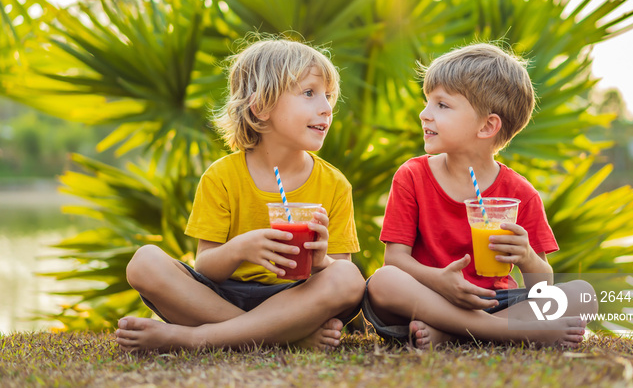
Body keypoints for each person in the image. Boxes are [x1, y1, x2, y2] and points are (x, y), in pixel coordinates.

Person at [115, 37, 365, 352]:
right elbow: (205, 268)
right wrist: (239, 249)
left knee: (349, 277)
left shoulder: (334, 184)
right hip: (220, 297)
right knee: (144, 262)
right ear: (260, 108)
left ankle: (193, 339)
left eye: (328, 96)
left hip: (295, 300)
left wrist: (320, 262)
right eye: (309, 93)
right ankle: (283, 338)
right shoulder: (222, 177)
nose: (327, 108)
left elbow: (340, 275)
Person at [363, 43, 597, 349]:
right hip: (427, 297)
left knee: (583, 294)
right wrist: (439, 282)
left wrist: (526, 256)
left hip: (493, 301)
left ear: (487, 126)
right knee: (383, 281)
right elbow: (394, 260)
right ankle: (510, 333)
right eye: (427, 102)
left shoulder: (520, 193)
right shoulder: (412, 176)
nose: (424, 114)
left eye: (441, 105)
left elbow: (543, 285)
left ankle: (452, 333)